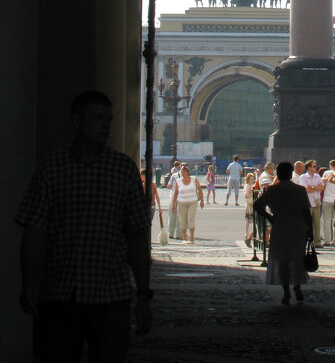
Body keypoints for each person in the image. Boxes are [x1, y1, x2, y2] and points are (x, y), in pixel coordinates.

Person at [15, 90, 152, 362]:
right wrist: (29, 282)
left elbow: (137, 236)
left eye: (108, 119)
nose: (106, 125)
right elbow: (34, 231)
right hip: (60, 293)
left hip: (111, 295)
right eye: (97, 118)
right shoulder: (52, 168)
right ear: (77, 121)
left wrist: (143, 295)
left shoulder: (123, 170)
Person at [253, 161, 313, 304]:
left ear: (278, 174)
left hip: (280, 226)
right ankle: (297, 286)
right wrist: (310, 231)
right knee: (297, 259)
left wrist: (270, 217)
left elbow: (257, 205)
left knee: (282, 260)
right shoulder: (300, 190)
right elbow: (306, 213)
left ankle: (286, 292)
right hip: (297, 227)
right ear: (291, 173)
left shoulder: (272, 190)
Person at [172, 164, 204, 243]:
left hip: (192, 201)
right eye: (181, 171)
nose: (182, 173)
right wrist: (173, 204)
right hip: (181, 202)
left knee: (190, 219)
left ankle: (191, 238)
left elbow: (200, 190)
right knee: (182, 220)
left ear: (187, 172)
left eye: (184, 171)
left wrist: (202, 200)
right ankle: (184, 238)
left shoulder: (193, 179)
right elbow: (175, 193)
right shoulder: (178, 181)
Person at [299, 159, 324, 247]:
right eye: (314, 166)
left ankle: (317, 242)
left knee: (317, 224)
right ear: (309, 168)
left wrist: (312, 187)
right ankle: (307, 241)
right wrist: (316, 188)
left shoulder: (317, 176)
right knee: (307, 224)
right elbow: (305, 189)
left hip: (316, 203)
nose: (315, 168)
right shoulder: (303, 177)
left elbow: (322, 187)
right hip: (308, 203)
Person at [321, 159, 335, 246]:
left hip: (327, 199)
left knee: (327, 220)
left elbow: (323, 184)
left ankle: (327, 240)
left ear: (330, 165)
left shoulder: (326, 173)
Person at [167, 161, 183, 238]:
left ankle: (170, 233)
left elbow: (169, 186)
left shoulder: (174, 175)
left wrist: (173, 187)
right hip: (181, 197)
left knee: (172, 215)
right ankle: (179, 234)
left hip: (173, 196)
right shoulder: (187, 177)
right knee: (180, 216)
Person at [243, 172, 256, 246]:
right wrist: (252, 194)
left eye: (253, 179)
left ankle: (249, 233)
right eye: (251, 179)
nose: (252, 180)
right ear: (248, 179)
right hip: (249, 204)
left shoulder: (251, 185)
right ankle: (247, 233)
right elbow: (246, 195)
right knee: (248, 219)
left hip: (251, 204)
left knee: (250, 219)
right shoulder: (247, 186)